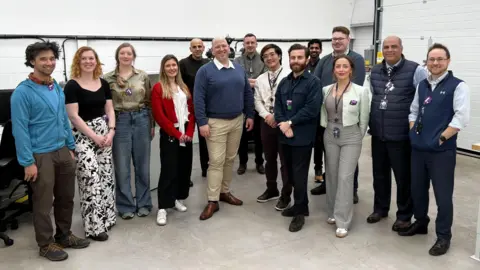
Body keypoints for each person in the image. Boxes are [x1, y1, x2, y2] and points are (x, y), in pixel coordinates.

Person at [10, 41, 89, 261]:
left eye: (52, 58)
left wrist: (71, 147)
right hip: (40, 155)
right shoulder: (22, 93)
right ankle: (45, 243)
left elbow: (63, 119)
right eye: (43, 59)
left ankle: (64, 235)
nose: (49, 63)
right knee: (43, 202)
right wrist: (27, 161)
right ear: (32, 61)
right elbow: (20, 130)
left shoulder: (56, 87)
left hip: (62, 150)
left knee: (66, 197)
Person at [400, 43, 470, 256]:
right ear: (426, 62)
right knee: (417, 190)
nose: (435, 63)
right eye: (432, 59)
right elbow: (413, 111)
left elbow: (461, 118)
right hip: (418, 149)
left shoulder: (458, 86)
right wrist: (413, 131)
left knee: (443, 195)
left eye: (440, 59)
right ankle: (421, 223)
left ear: (448, 61)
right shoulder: (422, 85)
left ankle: (443, 236)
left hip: (441, 151)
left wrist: (440, 138)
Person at [367, 36, 428, 230]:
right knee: (379, 175)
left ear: (402, 48)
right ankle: (380, 208)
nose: (390, 50)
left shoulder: (415, 70)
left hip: (401, 135)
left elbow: (424, 99)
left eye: (394, 46)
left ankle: (404, 214)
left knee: (403, 178)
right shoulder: (374, 71)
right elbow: (370, 98)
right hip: (378, 133)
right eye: (386, 47)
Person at [194, 37, 254, 220]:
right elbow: (198, 98)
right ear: (212, 51)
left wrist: (250, 114)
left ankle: (224, 191)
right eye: (217, 47)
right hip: (215, 123)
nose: (221, 49)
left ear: (229, 49)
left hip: (237, 120)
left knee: (229, 159)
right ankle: (213, 200)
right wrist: (202, 122)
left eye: (224, 46)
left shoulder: (238, 69)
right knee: (216, 161)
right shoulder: (205, 71)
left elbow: (246, 93)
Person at [64, 46, 116, 241]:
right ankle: (94, 227)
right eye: (84, 58)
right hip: (83, 136)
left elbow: (110, 110)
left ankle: (108, 218)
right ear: (78, 62)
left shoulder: (102, 83)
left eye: (91, 58)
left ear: (96, 61)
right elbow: (74, 117)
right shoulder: (72, 85)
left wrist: (111, 131)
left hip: (105, 135)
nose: (88, 61)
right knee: (90, 179)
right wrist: (95, 137)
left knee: (106, 178)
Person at [311, 26, 366, 204]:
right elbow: (316, 83)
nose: (336, 41)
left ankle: (353, 189)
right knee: (331, 155)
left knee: (349, 159)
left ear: (348, 39)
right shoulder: (325, 60)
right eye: (334, 39)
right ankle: (329, 184)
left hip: (347, 117)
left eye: (340, 38)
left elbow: (354, 88)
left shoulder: (357, 59)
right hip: (327, 115)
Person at [274, 44, 322, 232]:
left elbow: (311, 109)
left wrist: (290, 123)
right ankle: (301, 205)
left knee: (300, 176)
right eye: (292, 57)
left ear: (307, 59)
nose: (295, 61)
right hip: (285, 136)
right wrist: (283, 126)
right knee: (290, 175)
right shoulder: (285, 83)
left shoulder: (313, 82)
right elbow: (278, 106)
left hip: (302, 137)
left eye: (299, 58)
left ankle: (300, 213)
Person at [321, 55, 370, 238]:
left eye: (345, 66)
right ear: (334, 70)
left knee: (345, 177)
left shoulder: (361, 91)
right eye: (338, 66)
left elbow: (364, 119)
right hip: (330, 134)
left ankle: (343, 220)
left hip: (351, 135)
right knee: (332, 175)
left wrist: (357, 135)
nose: (341, 69)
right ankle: (333, 212)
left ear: (351, 70)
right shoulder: (326, 89)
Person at [104, 43, 154, 219]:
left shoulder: (142, 76)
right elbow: (105, 105)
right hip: (120, 121)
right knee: (122, 167)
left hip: (141, 119)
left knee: (142, 165)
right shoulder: (107, 78)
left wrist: (151, 124)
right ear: (117, 56)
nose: (126, 56)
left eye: (129, 53)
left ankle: (144, 203)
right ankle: (125, 206)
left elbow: (149, 101)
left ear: (133, 56)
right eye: (122, 53)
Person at [151, 54, 195, 226]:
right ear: (163, 68)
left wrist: (190, 132)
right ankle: (163, 207)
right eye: (168, 65)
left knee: (183, 169)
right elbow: (159, 116)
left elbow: (191, 111)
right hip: (171, 133)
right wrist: (177, 135)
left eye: (174, 65)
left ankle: (177, 198)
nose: (172, 68)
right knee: (169, 170)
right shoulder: (158, 88)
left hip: (187, 133)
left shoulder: (183, 87)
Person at [254, 44, 292, 211]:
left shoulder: (290, 75)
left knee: (285, 160)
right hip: (267, 122)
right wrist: (266, 116)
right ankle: (271, 189)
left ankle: (286, 194)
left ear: (279, 56)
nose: (269, 58)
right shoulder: (261, 78)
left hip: (284, 122)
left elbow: (293, 100)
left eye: (272, 55)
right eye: (265, 56)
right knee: (269, 158)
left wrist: (278, 116)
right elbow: (257, 100)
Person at [234, 33, 266, 175]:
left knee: (259, 136)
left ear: (256, 43)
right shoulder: (237, 61)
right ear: (244, 44)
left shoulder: (264, 60)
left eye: (252, 42)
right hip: (241, 102)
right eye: (247, 43)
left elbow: (265, 79)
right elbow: (236, 79)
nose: (250, 45)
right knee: (242, 136)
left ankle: (259, 162)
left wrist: (248, 81)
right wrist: (252, 82)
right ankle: (242, 163)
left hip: (260, 102)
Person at [179, 38, 210, 180]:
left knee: (205, 138)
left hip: (205, 106)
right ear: (190, 49)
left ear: (204, 48)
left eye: (200, 46)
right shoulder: (183, 64)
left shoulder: (208, 64)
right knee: (188, 140)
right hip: (188, 107)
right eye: (194, 47)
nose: (197, 49)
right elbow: (180, 84)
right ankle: (186, 175)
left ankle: (206, 168)